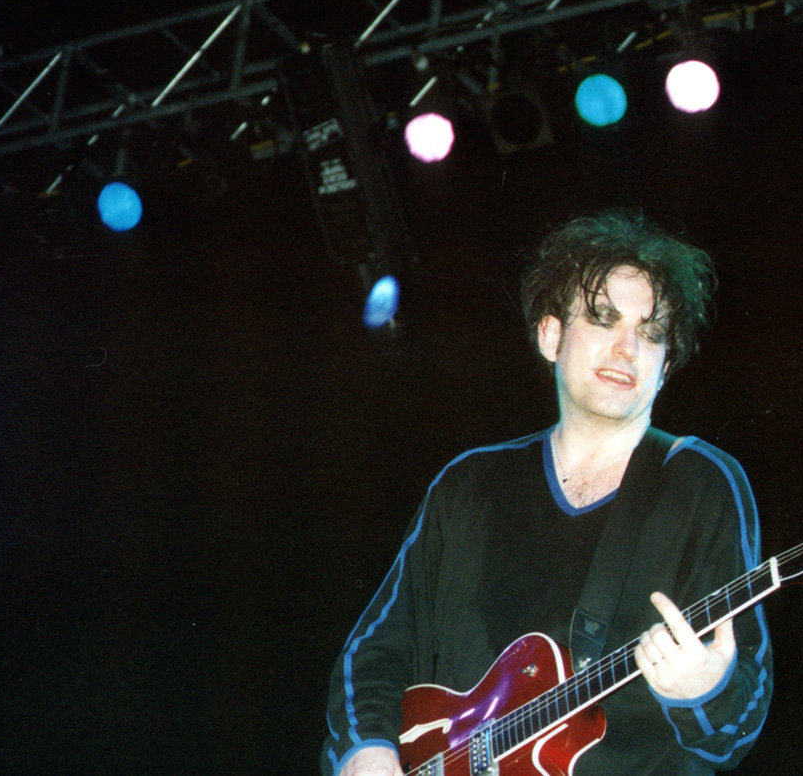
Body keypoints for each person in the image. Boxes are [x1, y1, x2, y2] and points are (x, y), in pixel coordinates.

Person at [321, 211, 772, 776]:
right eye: (604, 320)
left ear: (665, 366)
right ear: (551, 335)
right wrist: (367, 748)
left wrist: (707, 690)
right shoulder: (470, 484)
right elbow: (377, 648)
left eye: (652, 332)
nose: (628, 348)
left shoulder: (701, 484)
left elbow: (739, 717)